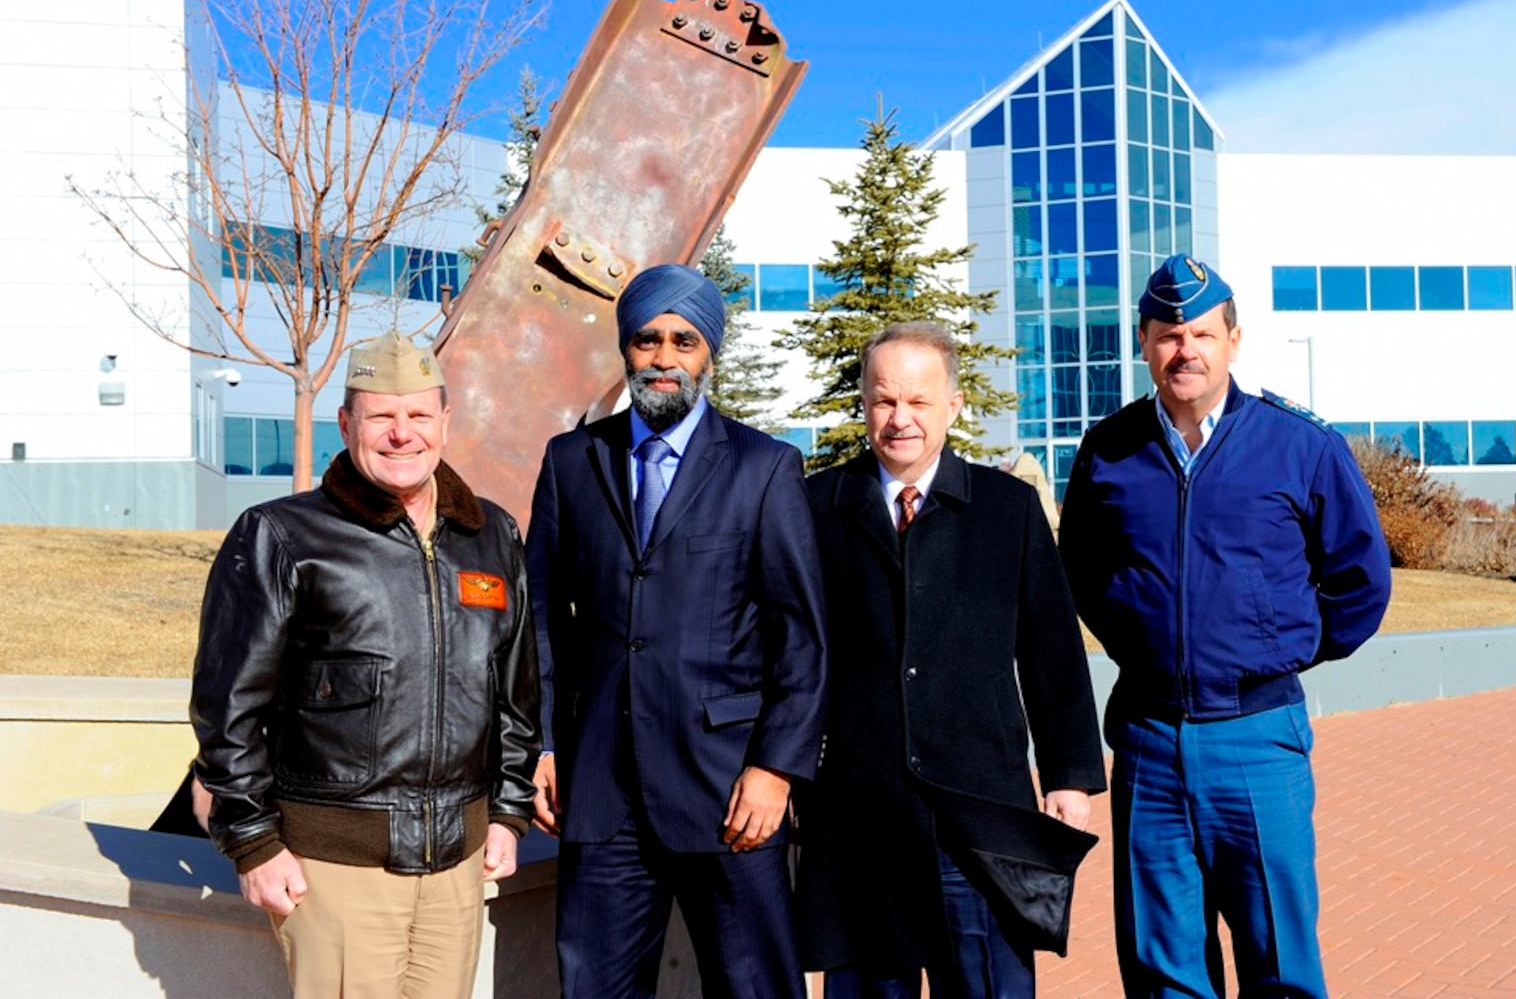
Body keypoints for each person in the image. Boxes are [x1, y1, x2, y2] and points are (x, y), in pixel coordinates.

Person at [1059, 255, 1392, 998]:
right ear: (1143, 343)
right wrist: (1140, 638)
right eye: (1170, 335)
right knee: (1160, 968)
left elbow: (1360, 579)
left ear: (1233, 342)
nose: (1187, 350)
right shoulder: (1109, 451)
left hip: (1258, 738)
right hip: (1147, 738)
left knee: (1280, 961)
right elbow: (1079, 569)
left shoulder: (1300, 444)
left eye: (1203, 334)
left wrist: (1282, 650)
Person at [190, 331, 543, 999]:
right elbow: (227, 708)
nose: (401, 434)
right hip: (335, 867)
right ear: (347, 424)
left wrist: (508, 812)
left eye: (418, 416)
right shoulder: (281, 535)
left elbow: (516, 692)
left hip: (457, 866)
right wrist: (254, 843)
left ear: (444, 422)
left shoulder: (491, 536)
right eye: (381, 416)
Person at [526, 263, 828, 998]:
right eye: (647, 340)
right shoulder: (574, 461)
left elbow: (802, 636)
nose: (664, 358)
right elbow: (538, 617)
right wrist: (542, 741)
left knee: (757, 988)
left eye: (683, 341)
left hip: (730, 791)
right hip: (599, 791)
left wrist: (776, 768)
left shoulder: (765, 468)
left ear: (708, 353)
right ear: (626, 350)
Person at [797, 320, 1107, 999]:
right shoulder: (816, 507)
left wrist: (1070, 777)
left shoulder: (1009, 510)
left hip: (978, 813)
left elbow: (1053, 654)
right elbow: (789, 653)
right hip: (861, 814)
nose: (900, 419)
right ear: (864, 404)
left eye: (918, 402)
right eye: (884, 400)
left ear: (953, 406)